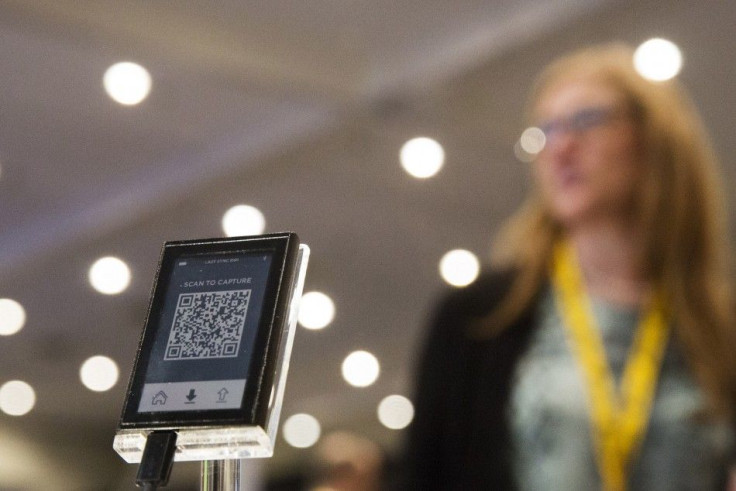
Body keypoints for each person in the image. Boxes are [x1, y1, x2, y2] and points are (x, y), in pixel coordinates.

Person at [402, 43, 736, 490]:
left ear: (653, 139)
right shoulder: (479, 317)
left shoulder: (720, 326)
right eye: (546, 130)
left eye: (586, 121)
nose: (561, 147)